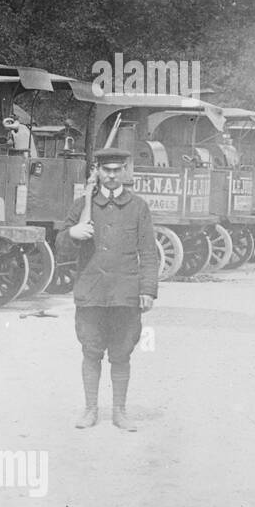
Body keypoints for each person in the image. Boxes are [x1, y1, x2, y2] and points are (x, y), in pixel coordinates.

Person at [59, 147, 158, 431]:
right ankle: (90, 410)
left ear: (125, 171)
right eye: (106, 170)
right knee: (90, 351)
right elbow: (61, 247)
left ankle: (120, 412)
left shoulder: (138, 207)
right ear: (98, 171)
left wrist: (148, 289)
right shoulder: (82, 206)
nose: (112, 176)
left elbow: (148, 252)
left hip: (125, 294)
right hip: (91, 292)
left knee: (121, 353)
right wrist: (71, 233)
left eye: (117, 170)